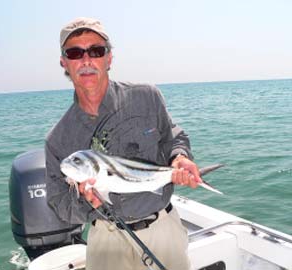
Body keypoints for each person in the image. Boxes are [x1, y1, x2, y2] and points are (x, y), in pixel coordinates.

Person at [45, 17, 201, 270]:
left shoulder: (146, 96)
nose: (86, 60)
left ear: (109, 58)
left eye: (96, 51)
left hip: (162, 228)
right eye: (75, 53)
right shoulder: (58, 139)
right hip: (105, 237)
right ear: (64, 62)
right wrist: (86, 203)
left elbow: (173, 137)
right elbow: (59, 204)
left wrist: (180, 158)